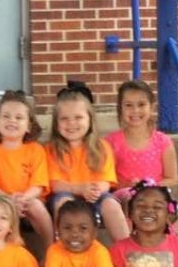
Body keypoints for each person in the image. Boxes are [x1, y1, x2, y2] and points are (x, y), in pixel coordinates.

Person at [45, 85, 129, 243]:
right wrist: (79, 189)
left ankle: (127, 254)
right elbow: (54, 185)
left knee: (111, 204)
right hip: (65, 195)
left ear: (90, 119)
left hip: (94, 196)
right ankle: (63, 250)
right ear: (56, 123)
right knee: (64, 204)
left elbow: (107, 181)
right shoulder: (51, 149)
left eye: (78, 117)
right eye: (64, 119)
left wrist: (96, 190)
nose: (71, 123)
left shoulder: (101, 147)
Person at [0, 90, 54, 253]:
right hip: (0, 201)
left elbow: (38, 185)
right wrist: (9, 202)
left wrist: (22, 199)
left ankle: (50, 250)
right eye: (6, 116)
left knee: (36, 206)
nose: (12, 121)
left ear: (28, 126)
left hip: (29, 200)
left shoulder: (35, 150)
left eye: (19, 118)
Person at [105, 79, 178, 212]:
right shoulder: (111, 143)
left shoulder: (163, 142)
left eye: (141, 104)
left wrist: (150, 186)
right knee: (131, 197)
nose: (135, 110)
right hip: (124, 200)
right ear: (120, 108)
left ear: (152, 107)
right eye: (128, 105)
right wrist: (128, 185)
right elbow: (107, 179)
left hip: (154, 199)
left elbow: (172, 178)